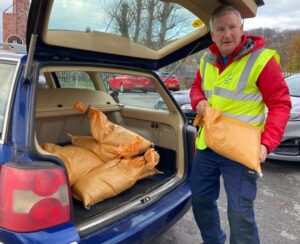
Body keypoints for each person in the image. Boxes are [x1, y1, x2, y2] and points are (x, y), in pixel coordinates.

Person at [189, 5, 291, 244]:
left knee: (239, 213)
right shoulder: (207, 60)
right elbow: (196, 88)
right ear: (212, 34)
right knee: (200, 200)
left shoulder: (261, 60)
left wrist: (266, 144)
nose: (227, 34)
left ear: (242, 28)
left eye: (232, 27)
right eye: (221, 29)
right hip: (208, 146)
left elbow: (280, 105)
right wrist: (199, 101)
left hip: (241, 151)